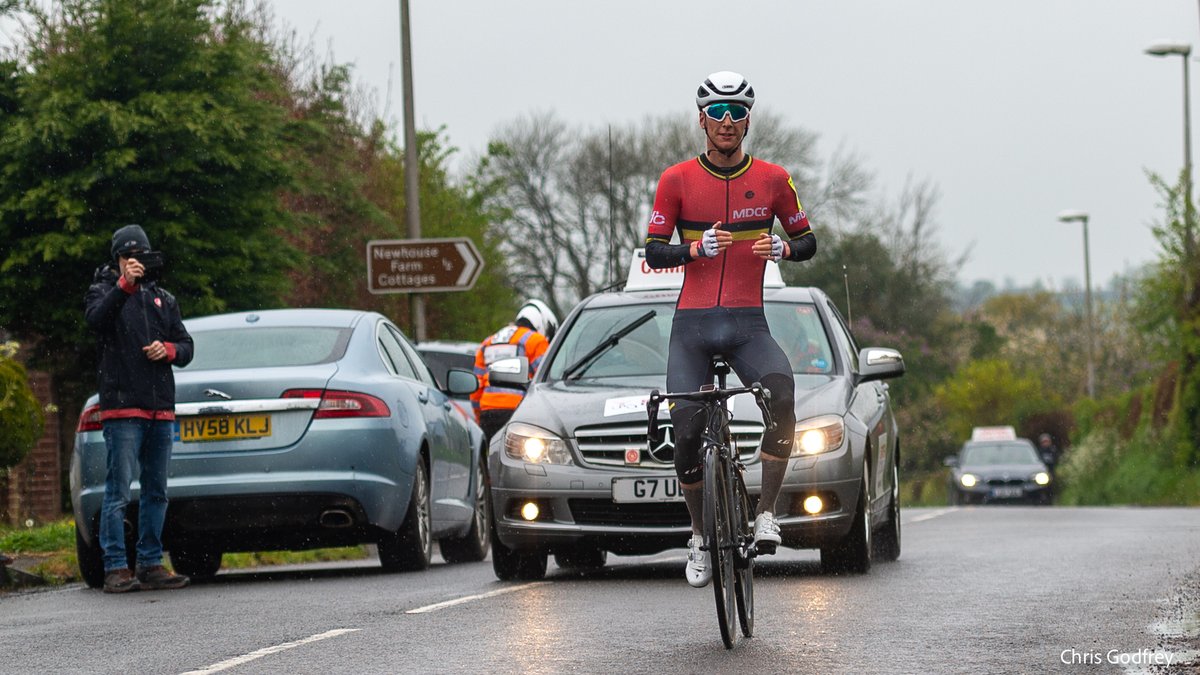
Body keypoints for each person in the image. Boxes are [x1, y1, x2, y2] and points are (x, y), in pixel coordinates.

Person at [644, 71, 817, 588]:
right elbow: (654, 251)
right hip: (692, 329)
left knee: (782, 393)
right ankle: (699, 535)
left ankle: (764, 514)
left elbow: (808, 241)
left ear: (747, 120)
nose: (726, 121)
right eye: (716, 113)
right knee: (687, 433)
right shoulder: (676, 180)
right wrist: (695, 249)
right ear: (701, 120)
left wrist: (784, 248)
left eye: (736, 112)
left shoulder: (773, 179)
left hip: (747, 325)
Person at [84, 224, 194, 593]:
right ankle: (116, 567)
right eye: (128, 256)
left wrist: (169, 349)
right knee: (118, 490)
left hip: (160, 409)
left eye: (140, 256)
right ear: (117, 260)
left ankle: (150, 563)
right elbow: (96, 320)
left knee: (156, 491)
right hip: (122, 408)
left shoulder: (163, 298)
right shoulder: (103, 291)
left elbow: (186, 345)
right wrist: (124, 286)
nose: (135, 262)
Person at [471, 299, 559, 441]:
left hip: (488, 413)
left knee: (492, 454)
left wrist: (479, 414)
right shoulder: (535, 341)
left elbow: (476, 387)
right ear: (540, 323)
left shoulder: (488, 342)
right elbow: (547, 380)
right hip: (518, 413)